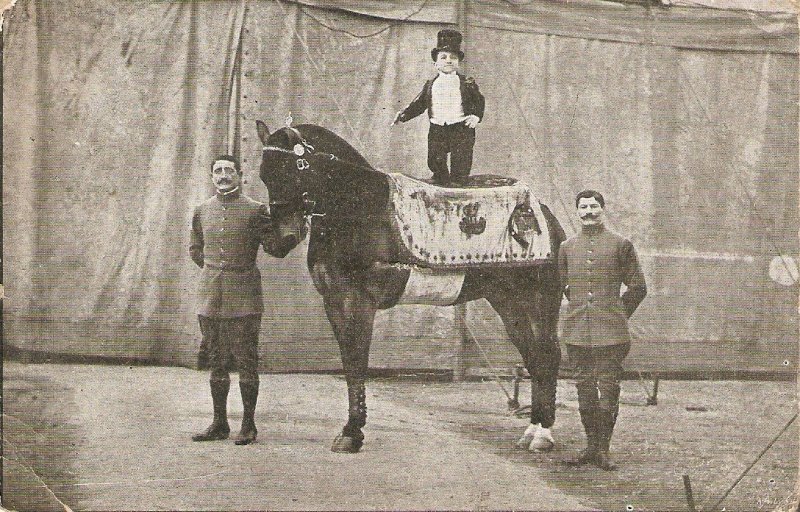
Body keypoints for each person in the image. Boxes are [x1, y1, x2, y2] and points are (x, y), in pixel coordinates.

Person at [189, 155, 295, 445]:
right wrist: (216, 272)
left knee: (247, 362)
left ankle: (248, 425)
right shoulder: (201, 211)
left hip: (245, 298)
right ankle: (219, 423)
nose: (223, 175)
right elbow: (195, 249)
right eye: (218, 171)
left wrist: (292, 234)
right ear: (212, 176)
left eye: (229, 171)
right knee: (217, 362)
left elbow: (275, 248)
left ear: (240, 175)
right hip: (210, 298)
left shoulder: (256, 210)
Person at [558, 190, 647, 470]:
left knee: (608, 389)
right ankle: (590, 447)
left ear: (603, 209)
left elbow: (638, 287)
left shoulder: (621, 245)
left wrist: (617, 314)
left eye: (594, 206)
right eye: (583, 207)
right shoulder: (567, 247)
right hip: (577, 334)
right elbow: (566, 286)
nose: (588, 212)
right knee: (584, 390)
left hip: (611, 335)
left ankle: (603, 450)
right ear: (577, 212)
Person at [392, 29, 485, 185]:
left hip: (461, 127)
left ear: (458, 62)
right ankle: (440, 178)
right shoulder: (430, 85)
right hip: (437, 127)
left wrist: (476, 116)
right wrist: (403, 115)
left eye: (453, 57)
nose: (448, 60)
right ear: (435, 63)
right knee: (435, 158)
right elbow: (419, 104)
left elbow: (479, 100)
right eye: (443, 57)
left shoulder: (467, 83)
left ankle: (458, 181)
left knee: (461, 159)